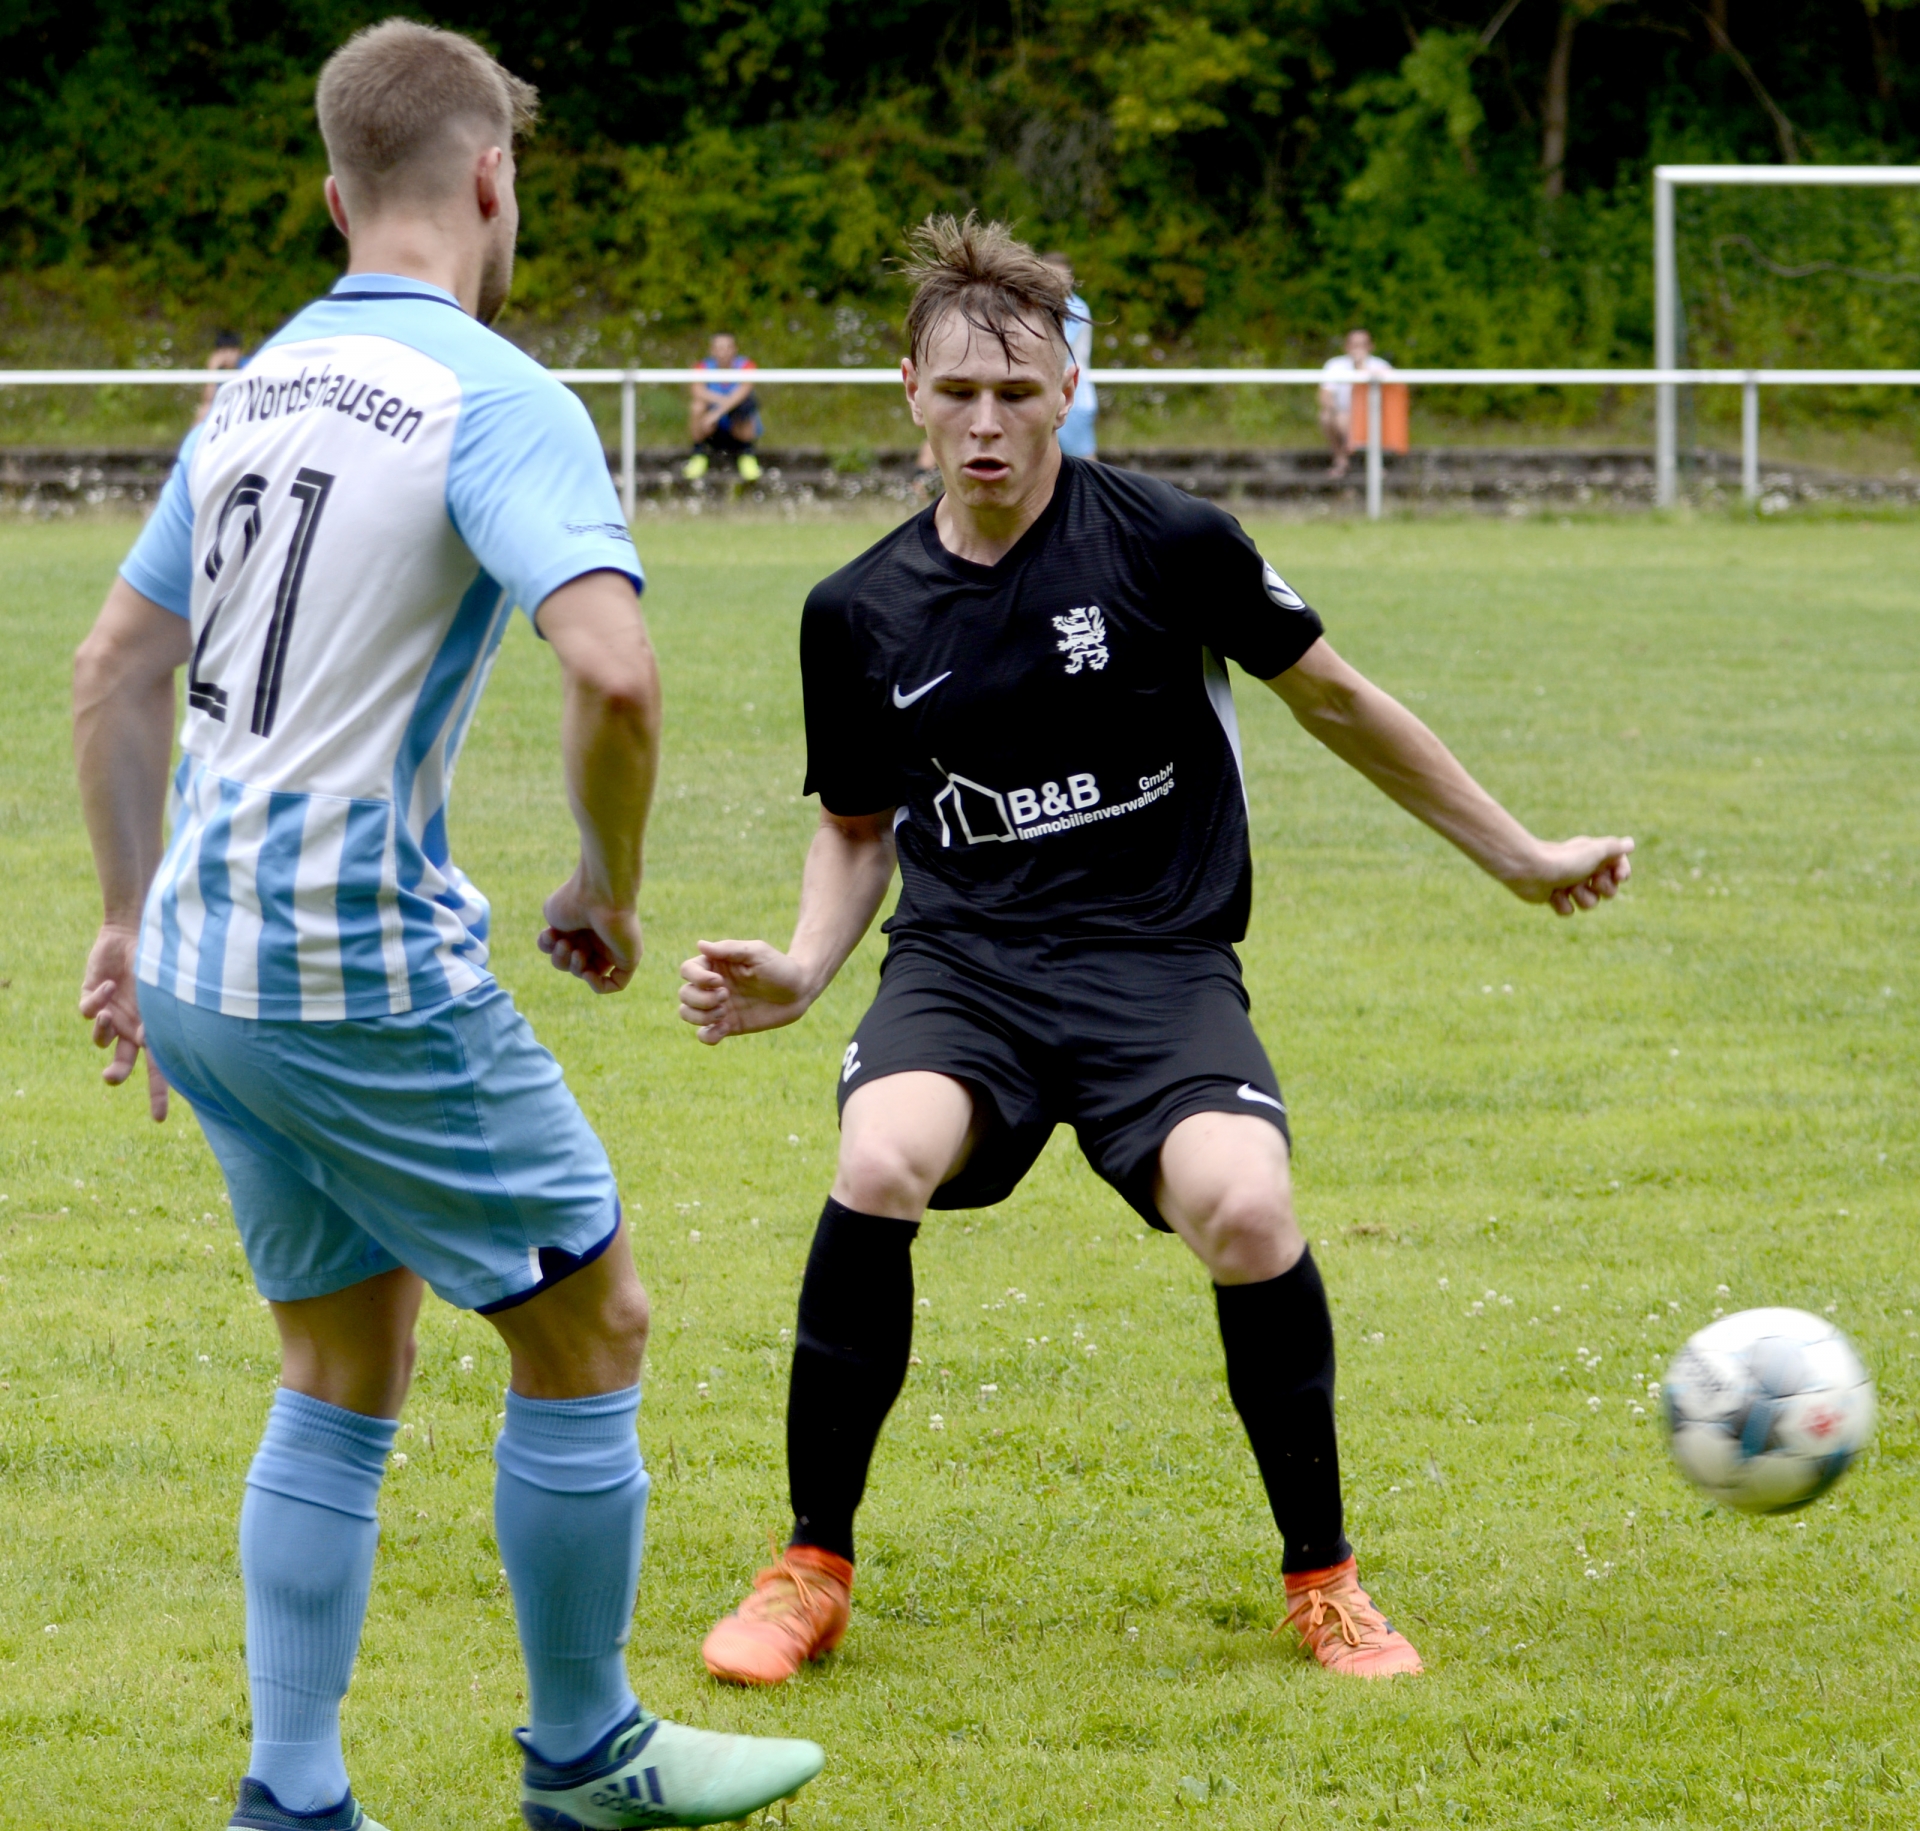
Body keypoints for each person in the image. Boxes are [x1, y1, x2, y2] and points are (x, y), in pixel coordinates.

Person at [677, 213, 1633, 1690]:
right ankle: (810, 1567)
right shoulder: (856, 611)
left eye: (1016, 391)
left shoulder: (1172, 542)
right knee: (879, 1156)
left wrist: (1521, 856)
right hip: (966, 968)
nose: (985, 424)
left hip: (1158, 965)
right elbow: (858, 828)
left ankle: (1325, 1579)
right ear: (909, 394)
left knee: (1246, 1205)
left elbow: (1338, 700)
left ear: (1067, 387)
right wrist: (803, 971)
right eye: (956, 392)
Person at [72, 21, 822, 1831]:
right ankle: (588, 1755)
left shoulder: (251, 393)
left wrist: (122, 919)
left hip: (205, 965)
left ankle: (294, 1795)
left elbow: (112, 668)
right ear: (494, 178)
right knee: (592, 1323)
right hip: (353, 965)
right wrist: (605, 884)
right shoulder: (496, 397)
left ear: (335, 200)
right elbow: (615, 669)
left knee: (342, 1361)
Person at [684, 331, 763, 482]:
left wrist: (718, 412)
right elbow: (697, 390)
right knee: (697, 406)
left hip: (736, 425)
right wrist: (721, 402)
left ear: (735, 349)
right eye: (719, 348)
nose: (724, 352)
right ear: (712, 350)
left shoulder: (746, 366)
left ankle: (747, 454)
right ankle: (698, 452)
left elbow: (743, 392)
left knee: (746, 405)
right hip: (711, 427)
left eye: (728, 347)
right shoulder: (703, 366)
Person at [1042, 252, 1097, 460]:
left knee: (1085, 463)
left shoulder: (1075, 307)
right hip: (1053, 395)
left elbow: (1057, 341)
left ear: (1070, 279)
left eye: (1061, 276)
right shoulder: (1043, 307)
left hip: (1074, 397)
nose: (1055, 282)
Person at [1318, 328, 1392, 480]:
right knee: (1326, 417)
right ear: (1346, 346)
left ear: (1371, 346)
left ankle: (1371, 462)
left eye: (1362, 344)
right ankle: (1342, 459)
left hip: (1373, 413)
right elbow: (1325, 394)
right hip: (1342, 413)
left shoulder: (1380, 365)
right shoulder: (1334, 365)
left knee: (1358, 420)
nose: (1358, 348)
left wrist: (1361, 366)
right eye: (1354, 344)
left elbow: (1393, 392)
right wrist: (1334, 410)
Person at [193, 329, 244, 426]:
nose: (228, 355)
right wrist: (212, 369)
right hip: (223, 407)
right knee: (204, 409)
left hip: (243, 405)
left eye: (232, 350)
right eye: (224, 351)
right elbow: (208, 399)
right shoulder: (217, 370)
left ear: (239, 351)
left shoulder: (248, 365)